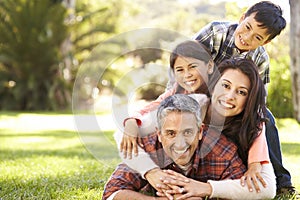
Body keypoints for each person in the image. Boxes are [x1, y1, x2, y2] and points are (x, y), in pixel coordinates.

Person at [166, 1, 295, 196]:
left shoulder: (260, 60)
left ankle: (282, 180)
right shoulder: (215, 32)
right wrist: (172, 97)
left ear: (265, 42)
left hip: (232, 105)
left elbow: (257, 104)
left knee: (266, 118)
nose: (247, 37)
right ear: (242, 18)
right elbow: (184, 62)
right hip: (198, 95)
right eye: (247, 27)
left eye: (257, 37)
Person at [114, 57, 276, 199]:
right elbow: (123, 133)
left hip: (222, 173)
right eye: (225, 86)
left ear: (249, 99)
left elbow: (267, 189)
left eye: (241, 92)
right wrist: (151, 171)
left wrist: (206, 188)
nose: (230, 96)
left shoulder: (252, 126)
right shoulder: (192, 104)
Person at [103, 94, 275, 200]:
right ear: (159, 134)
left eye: (187, 132)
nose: (180, 143)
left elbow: (245, 192)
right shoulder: (146, 148)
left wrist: (203, 192)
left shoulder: (222, 152)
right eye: (171, 133)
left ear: (200, 131)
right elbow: (112, 193)